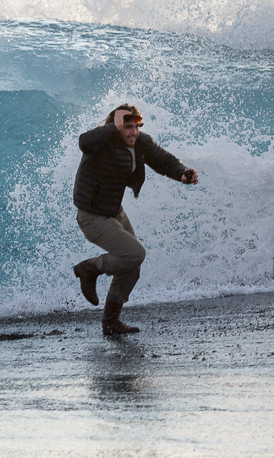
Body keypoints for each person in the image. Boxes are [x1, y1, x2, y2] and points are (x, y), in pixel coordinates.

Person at [71, 104, 198, 336]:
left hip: (113, 211)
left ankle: (111, 321)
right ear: (116, 126)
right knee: (135, 254)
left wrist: (182, 173)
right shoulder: (101, 142)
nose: (133, 132)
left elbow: (163, 160)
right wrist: (113, 128)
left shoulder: (139, 142)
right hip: (92, 216)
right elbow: (83, 142)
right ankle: (90, 268)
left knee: (132, 265)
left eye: (136, 126)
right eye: (127, 127)